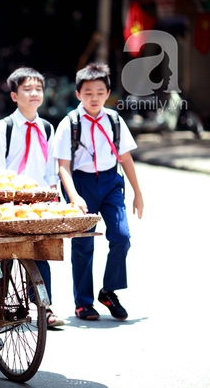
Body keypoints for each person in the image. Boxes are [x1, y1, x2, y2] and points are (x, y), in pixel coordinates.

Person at [51, 62, 144, 321]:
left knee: (122, 237)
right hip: (80, 183)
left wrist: (138, 192)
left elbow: (125, 157)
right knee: (83, 244)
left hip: (111, 182)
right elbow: (63, 167)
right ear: (78, 94)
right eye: (88, 92)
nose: (94, 98)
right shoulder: (69, 123)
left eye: (100, 92)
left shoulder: (114, 120)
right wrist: (74, 196)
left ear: (108, 93)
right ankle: (83, 303)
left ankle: (109, 291)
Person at [0, 67, 63, 329]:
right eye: (27, 89)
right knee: (4, 253)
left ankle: (44, 306)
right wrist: (3, 200)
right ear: (14, 96)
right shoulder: (5, 127)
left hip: (39, 201)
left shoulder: (47, 127)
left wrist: (54, 198)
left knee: (39, 252)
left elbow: (50, 168)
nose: (34, 94)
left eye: (38, 89)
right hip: (8, 200)